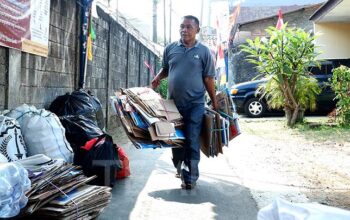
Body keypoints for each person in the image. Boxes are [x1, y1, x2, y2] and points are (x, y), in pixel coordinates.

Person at [151, 15, 218, 190]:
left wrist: (214, 100)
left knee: (192, 138)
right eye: (182, 26)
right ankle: (179, 167)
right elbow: (167, 68)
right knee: (175, 139)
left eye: (188, 27)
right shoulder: (171, 48)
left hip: (195, 103)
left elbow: (208, 78)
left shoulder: (204, 52)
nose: (184, 30)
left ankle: (191, 176)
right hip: (172, 104)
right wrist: (158, 77)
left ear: (197, 30)